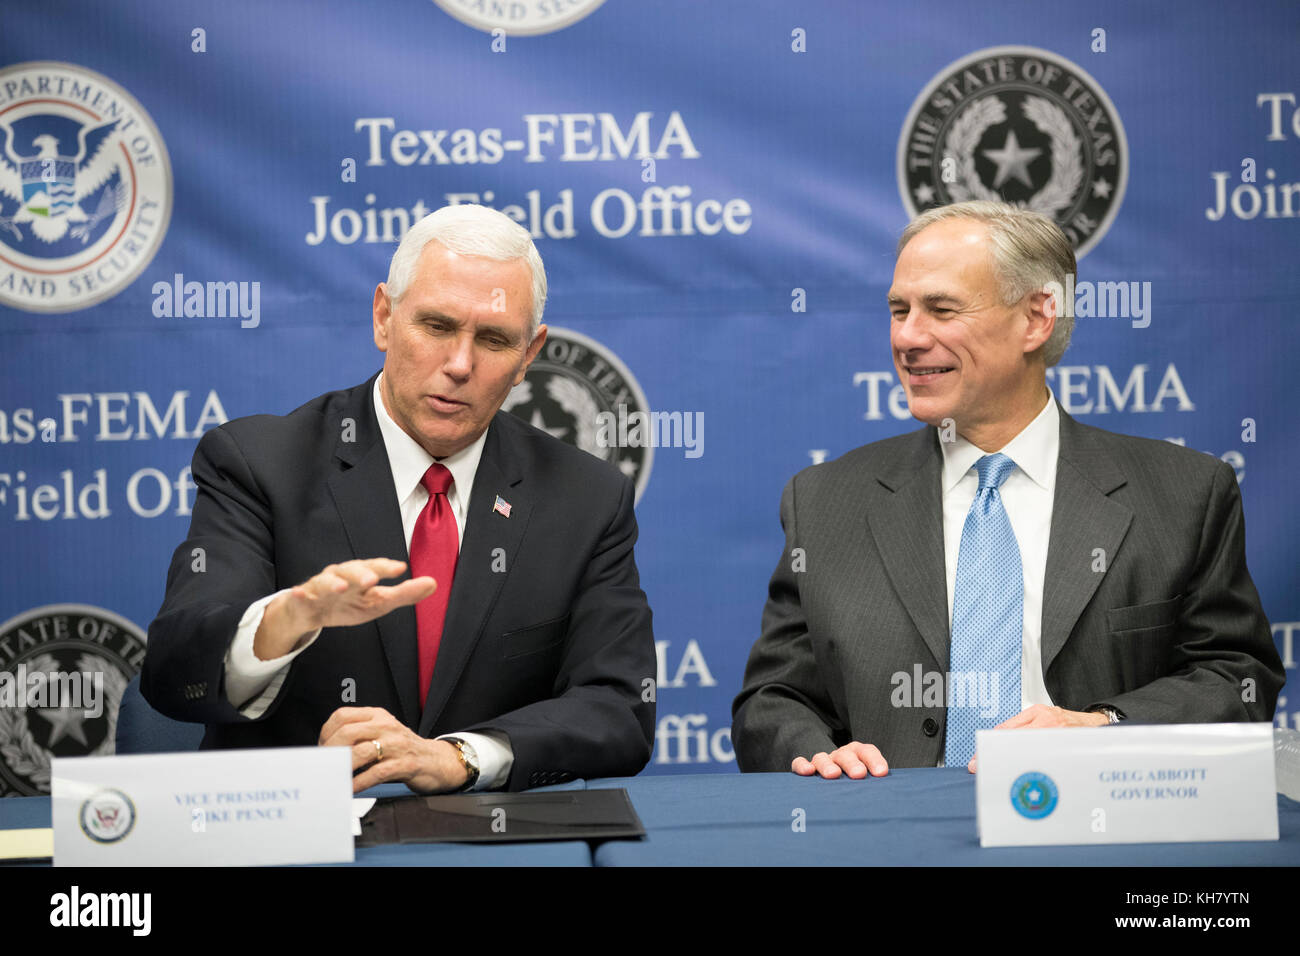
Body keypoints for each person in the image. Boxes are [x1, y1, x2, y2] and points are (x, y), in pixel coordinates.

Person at [732, 200, 1284, 780]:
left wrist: (1102, 727)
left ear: (1038, 317)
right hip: (891, 838)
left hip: (1096, 833)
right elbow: (773, 700)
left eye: (941, 309)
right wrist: (817, 753)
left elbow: (1236, 680)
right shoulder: (824, 502)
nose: (908, 337)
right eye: (899, 310)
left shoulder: (1184, 494)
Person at [143, 204, 656, 793]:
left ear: (528, 357)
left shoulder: (586, 498)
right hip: (305, 839)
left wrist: (460, 757)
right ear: (384, 317)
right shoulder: (260, 464)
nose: (460, 365)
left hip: (495, 848)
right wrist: (279, 624)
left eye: (493, 339)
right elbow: (173, 671)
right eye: (436, 327)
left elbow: (619, 708)